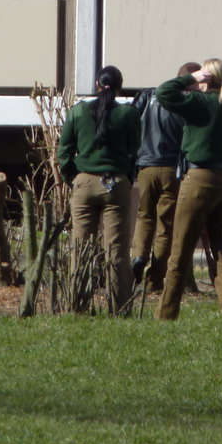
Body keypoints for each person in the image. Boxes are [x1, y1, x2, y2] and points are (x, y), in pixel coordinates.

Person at [154, 58, 222, 320]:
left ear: (205, 78)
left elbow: (164, 93)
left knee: (180, 249)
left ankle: (166, 314)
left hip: (198, 179)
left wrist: (189, 78)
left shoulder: (199, 103)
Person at [58, 65, 141, 314]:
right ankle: (119, 307)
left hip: (83, 181)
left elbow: (64, 150)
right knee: (116, 249)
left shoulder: (78, 112)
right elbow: (135, 148)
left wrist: (72, 176)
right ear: (119, 87)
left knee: (80, 246)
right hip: (115, 183)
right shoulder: (129, 114)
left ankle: (78, 304)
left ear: (96, 85)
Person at [129, 61, 200, 291]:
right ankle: (154, 279)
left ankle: (138, 255)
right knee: (166, 225)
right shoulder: (184, 103)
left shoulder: (149, 96)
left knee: (144, 215)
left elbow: (134, 122)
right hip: (171, 168)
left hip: (146, 166)